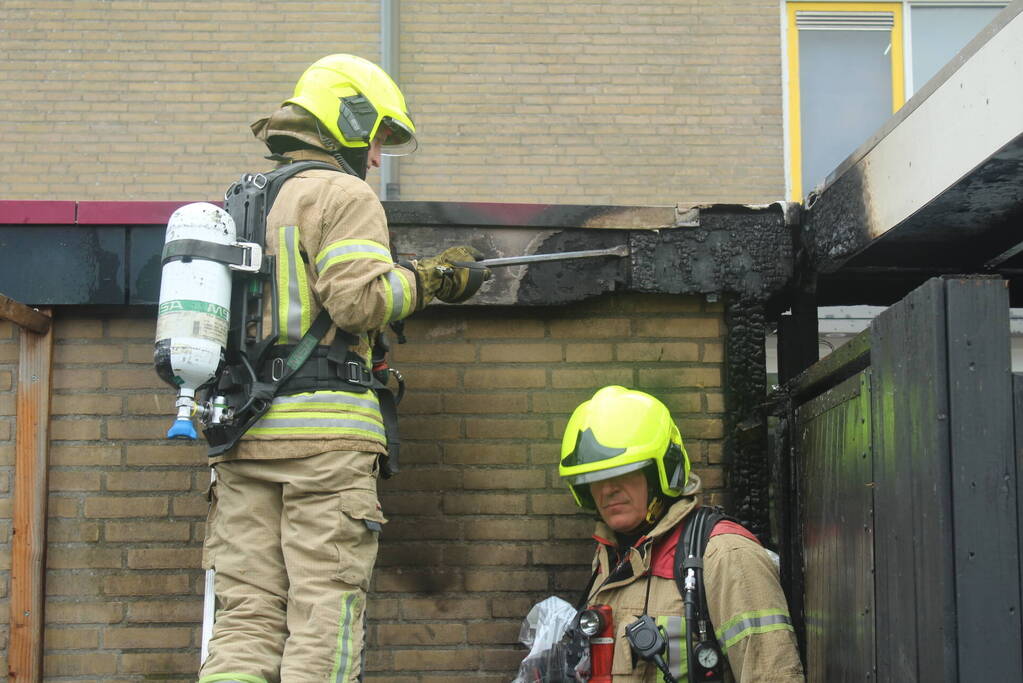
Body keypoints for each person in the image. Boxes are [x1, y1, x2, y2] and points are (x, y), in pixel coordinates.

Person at [198, 54, 487, 683]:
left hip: (242, 436)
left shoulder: (247, 199)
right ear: (348, 120)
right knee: (324, 611)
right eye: (377, 138)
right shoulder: (343, 194)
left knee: (246, 618)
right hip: (326, 446)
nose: (377, 158)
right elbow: (359, 302)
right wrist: (431, 280)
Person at [559, 386, 804, 682]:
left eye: (622, 473)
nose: (607, 490)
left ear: (661, 472)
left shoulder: (724, 554)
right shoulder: (610, 559)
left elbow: (772, 675)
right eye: (594, 478)